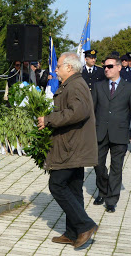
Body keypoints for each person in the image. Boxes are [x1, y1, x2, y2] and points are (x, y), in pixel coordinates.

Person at [37, 52, 98, 248]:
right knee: (73, 187)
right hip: (73, 144)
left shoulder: (76, 84)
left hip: (72, 146)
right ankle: (73, 233)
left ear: (69, 68)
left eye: (58, 66)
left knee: (57, 185)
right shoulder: (72, 84)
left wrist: (49, 120)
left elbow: (78, 112)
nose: (55, 69)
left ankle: (85, 225)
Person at [91, 55, 131, 213]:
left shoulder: (130, 88)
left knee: (116, 167)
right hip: (100, 132)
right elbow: (92, 109)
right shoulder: (99, 87)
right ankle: (103, 190)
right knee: (98, 164)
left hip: (120, 133)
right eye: (105, 66)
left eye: (110, 66)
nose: (106, 69)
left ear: (119, 67)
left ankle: (112, 199)